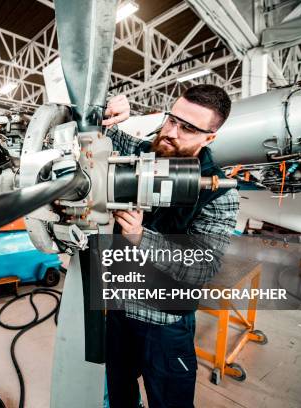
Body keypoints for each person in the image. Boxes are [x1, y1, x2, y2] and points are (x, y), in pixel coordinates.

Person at [101, 85, 239, 408]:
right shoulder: (143, 153)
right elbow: (98, 133)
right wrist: (106, 111)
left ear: (210, 137)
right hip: (120, 313)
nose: (171, 133)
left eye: (187, 128)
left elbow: (202, 267)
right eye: (171, 119)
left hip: (165, 326)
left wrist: (141, 238)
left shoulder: (219, 193)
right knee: (118, 397)